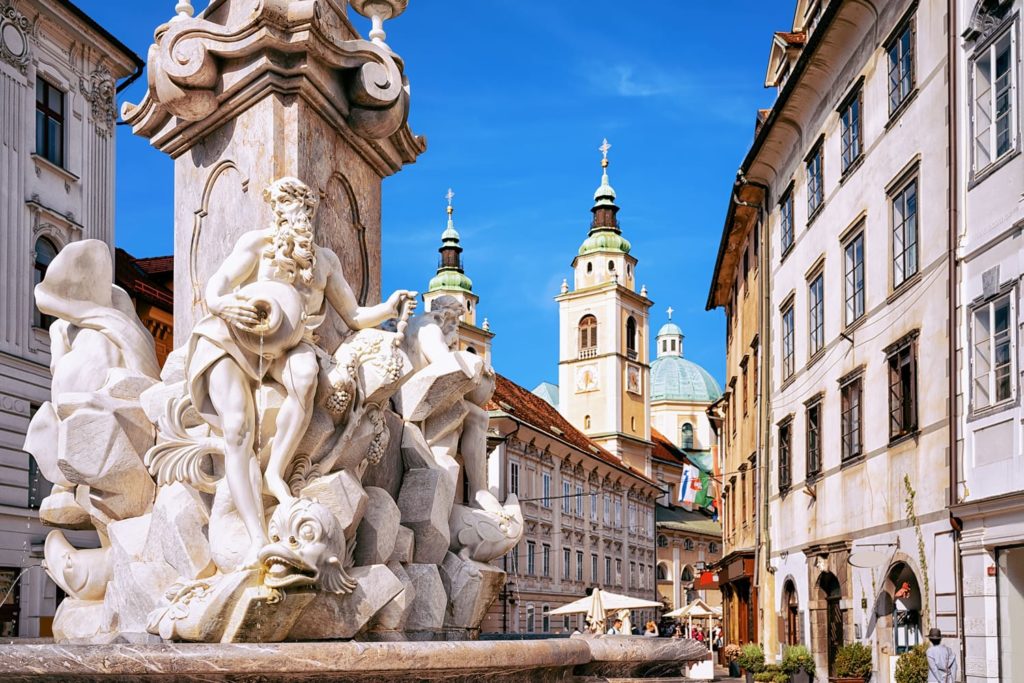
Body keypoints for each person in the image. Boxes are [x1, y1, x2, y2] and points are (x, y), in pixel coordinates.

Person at [185, 177, 416, 566]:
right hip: (233, 337)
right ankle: (257, 535)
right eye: (294, 211)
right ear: (278, 215)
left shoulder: (324, 261)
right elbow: (216, 287)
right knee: (239, 426)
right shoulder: (258, 245)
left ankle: (276, 472)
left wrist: (389, 308)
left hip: (288, 347)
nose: (302, 219)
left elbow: (355, 315)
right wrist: (225, 306)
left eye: (308, 212)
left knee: (307, 377)